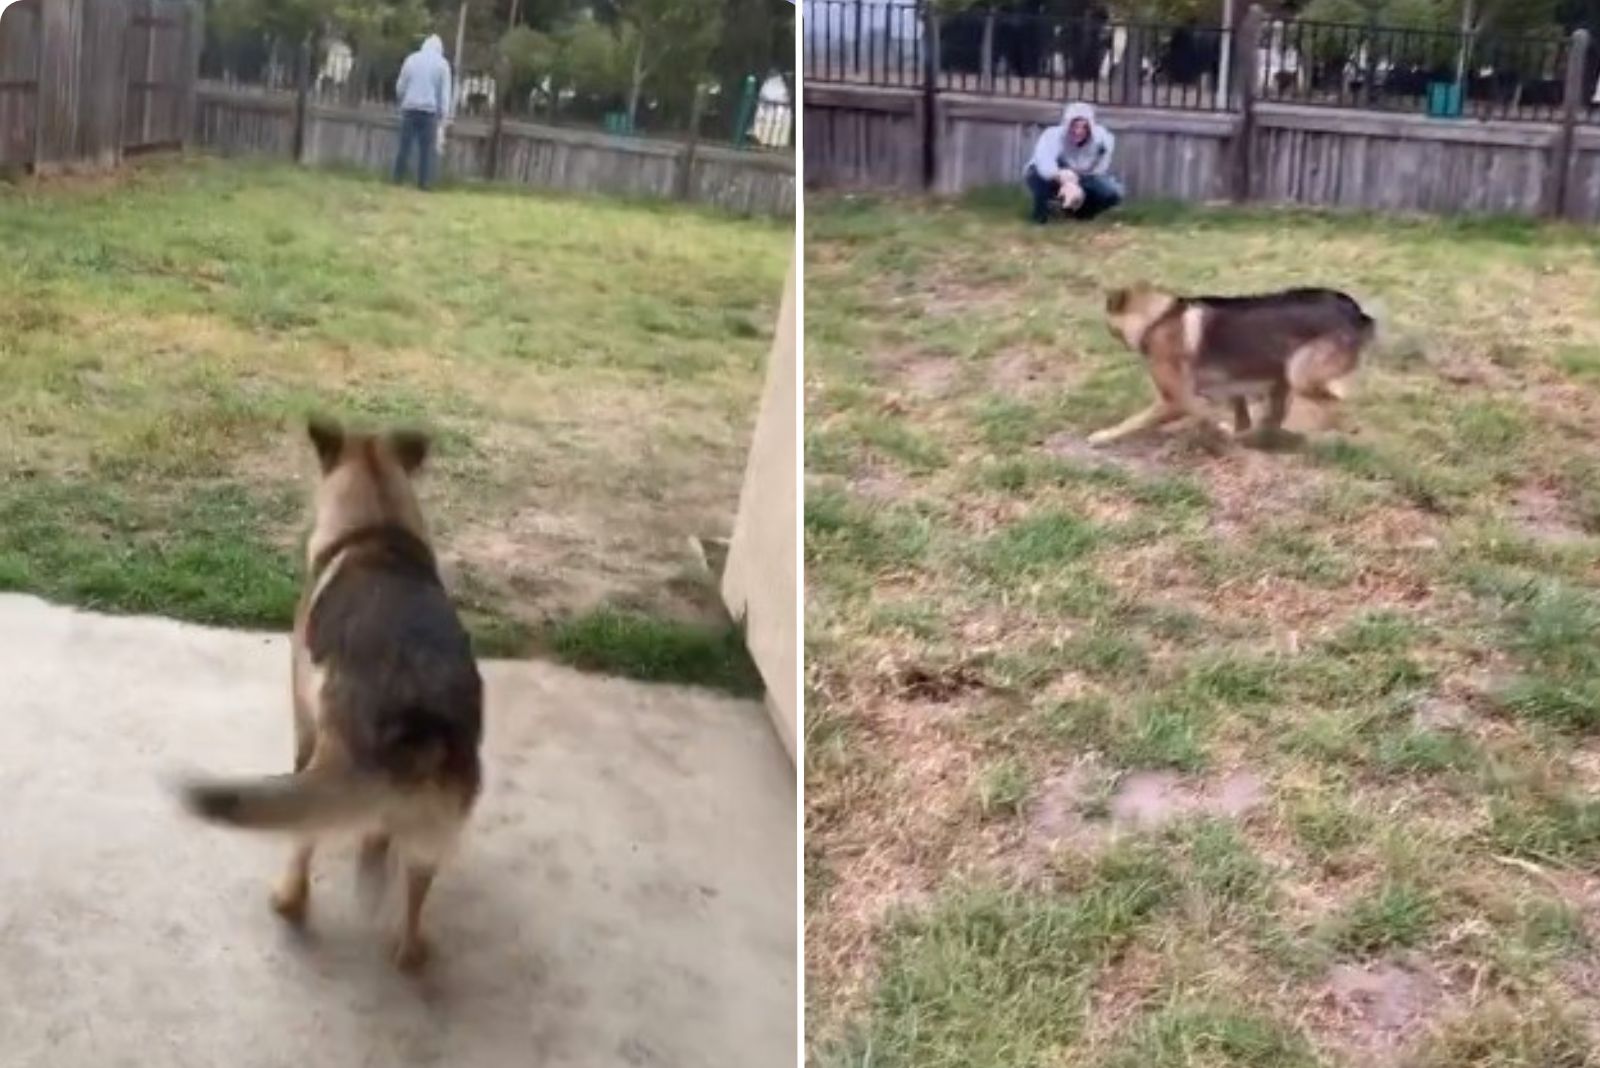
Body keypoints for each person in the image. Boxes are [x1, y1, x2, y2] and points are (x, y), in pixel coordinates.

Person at [1024, 102, 1125, 224]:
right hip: (1056, 173)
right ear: (1067, 125)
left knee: (1113, 191)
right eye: (1074, 126)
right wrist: (1061, 177)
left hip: (1085, 175)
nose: (1078, 131)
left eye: (1083, 127)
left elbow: (1100, 169)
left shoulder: (1102, 140)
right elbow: (1043, 162)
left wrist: (1078, 185)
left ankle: (1081, 214)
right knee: (1035, 174)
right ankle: (1041, 215)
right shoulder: (1052, 135)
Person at [393, 34, 452, 190]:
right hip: (429, 112)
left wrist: (402, 99)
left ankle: (397, 179)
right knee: (426, 150)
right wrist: (443, 116)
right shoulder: (442, 64)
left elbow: (401, 86)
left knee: (404, 147)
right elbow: (444, 94)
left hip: (410, 108)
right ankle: (423, 183)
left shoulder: (411, 59)